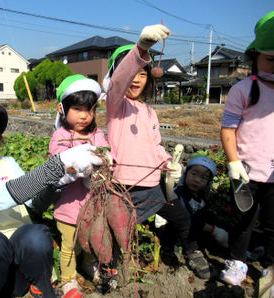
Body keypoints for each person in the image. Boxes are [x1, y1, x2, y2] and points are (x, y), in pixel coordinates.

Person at [0, 94, 103, 298]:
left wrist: (60, 180)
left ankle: (40, 290)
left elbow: (36, 203)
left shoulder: (7, 164)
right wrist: (56, 165)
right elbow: (3, 195)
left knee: (36, 234)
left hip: (16, 270)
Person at [104, 24, 211, 279]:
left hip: (153, 186)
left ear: (149, 77)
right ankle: (111, 271)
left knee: (182, 218)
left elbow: (155, 145)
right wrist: (141, 48)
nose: (136, 78)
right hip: (124, 187)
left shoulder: (150, 112)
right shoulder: (115, 103)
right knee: (119, 233)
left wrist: (167, 163)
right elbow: (119, 80)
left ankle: (191, 252)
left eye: (143, 73)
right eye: (133, 72)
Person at [220, 11, 274, 286]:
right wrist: (234, 162)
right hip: (246, 172)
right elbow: (228, 129)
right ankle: (237, 261)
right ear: (256, 57)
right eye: (271, 59)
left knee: (272, 224)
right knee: (243, 221)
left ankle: (268, 264)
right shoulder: (243, 89)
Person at [49, 74, 110, 294]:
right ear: (61, 108)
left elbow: (106, 153)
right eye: (78, 109)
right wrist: (78, 167)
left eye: (90, 110)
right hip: (68, 206)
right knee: (69, 245)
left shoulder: (96, 134)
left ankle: (88, 264)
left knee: (91, 240)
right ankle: (67, 278)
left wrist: (105, 161)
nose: (85, 116)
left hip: (94, 204)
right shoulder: (60, 136)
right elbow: (59, 162)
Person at [162, 155, 229, 259]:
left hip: (192, 232)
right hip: (176, 232)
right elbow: (186, 218)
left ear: (209, 182)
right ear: (185, 174)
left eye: (204, 177)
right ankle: (170, 249)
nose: (197, 180)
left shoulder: (202, 198)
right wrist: (213, 230)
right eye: (194, 174)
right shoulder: (178, 194)